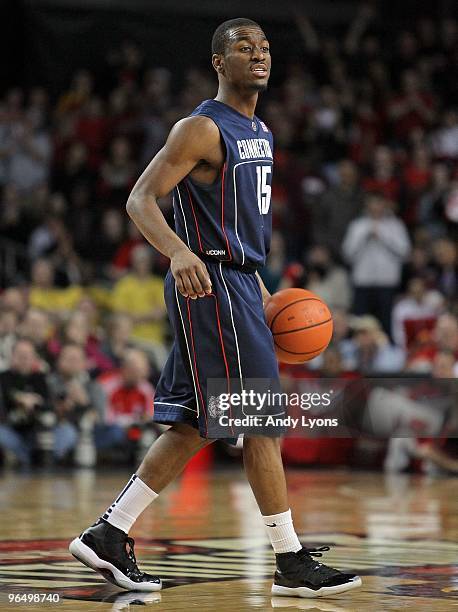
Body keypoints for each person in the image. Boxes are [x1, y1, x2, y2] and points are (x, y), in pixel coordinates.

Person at [69, 18, 361, 598]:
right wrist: (178, 253)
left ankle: (109, 533)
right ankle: (290, 560)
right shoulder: (201, 128)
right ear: (218, 63)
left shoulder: (261, 129)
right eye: (243, 47)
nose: (258, 54)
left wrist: (259, 286)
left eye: (264, 47)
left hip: (239, 284)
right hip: (210, 283)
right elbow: (140, 198)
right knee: (260, 421)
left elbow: (240, 225)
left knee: (195, 425)